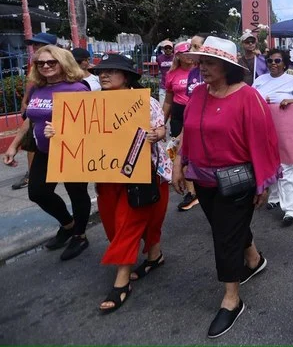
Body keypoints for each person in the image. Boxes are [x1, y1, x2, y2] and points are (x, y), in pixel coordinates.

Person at [43, 54, 172, 312]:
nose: (104, 75)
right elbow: (78, 134)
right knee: (113, 225)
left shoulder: (145, 103)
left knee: (128, 224)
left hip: (140, 177)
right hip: (106, 177)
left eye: (112, 71)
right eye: (102, 71)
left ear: (126, 77)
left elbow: (162, 131)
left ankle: (121, 281)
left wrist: (156, 134)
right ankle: (154, 255)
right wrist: (57, 132)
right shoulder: (90, 104)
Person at [172, 36, 280, 339]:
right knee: (227, 228)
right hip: (204, 181)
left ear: (226, 66)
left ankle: (232, 300)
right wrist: (179, 162)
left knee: (224, 237)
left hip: (237, 182)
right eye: (200, 62)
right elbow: (187, 132)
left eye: (209, 63)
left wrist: (263, 183)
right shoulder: (197, 95)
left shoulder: (249, 97)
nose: (201, 68)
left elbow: (263, 143)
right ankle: (255, 260)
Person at [3, 45, 92, 261]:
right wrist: (14, 145)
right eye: (40, 63)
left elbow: (90, 124)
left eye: (51, 62)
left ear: (63, 63)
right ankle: (68, 225)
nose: (45, 66)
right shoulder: (37, 89)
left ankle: (80, 235)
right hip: (44, 150)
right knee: (38, 192)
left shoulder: (78, 89)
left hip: (71, 151)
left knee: (77, 193)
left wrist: (64, 131)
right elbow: (31, 119)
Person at [253, 49, 293, 225]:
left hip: (287, 132)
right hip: (264, 131)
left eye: (277, 61)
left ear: (285, 63)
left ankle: (291, 210)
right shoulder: (260, 81)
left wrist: (290, 102)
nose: (273, 64)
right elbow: (249, 102)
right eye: (270, 61)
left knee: (286, 168)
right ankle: (275, 198)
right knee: (270, 165)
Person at [11, 32, 58, 190]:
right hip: (38, 124)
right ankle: (32, 173)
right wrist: (26, 102)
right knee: (32, 143)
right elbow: (32, 84)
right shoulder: (37, 65)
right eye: (34, 44)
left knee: (76, 192)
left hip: (65, 147)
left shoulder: (72, 83)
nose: (35, 47)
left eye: (39, 44)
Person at [163, 41, 197, 211]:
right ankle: (190, 192)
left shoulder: (200, 71)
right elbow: (168, 100)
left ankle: (199, 185)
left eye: (190, 51)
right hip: (178, 114)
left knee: (196, 151)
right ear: (178, 56)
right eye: (185, 52)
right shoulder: (172, 75)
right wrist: (161, 121)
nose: (189, 55)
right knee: (178, 151)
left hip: (196, 113)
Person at [156, 40, 175, 104]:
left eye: (169, 48)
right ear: (163, 49)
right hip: (163, 85)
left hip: (174, 85)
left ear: (172, 49)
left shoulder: (176, 58)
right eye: (166, 48)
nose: (168, 50)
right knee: (162, 105)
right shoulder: (159, 58)